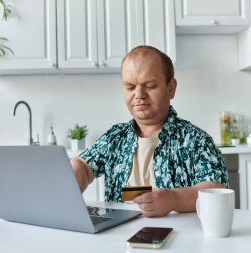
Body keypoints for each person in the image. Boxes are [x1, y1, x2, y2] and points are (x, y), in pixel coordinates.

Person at [70, 45, 228, 217]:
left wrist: (174, 199)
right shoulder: (114, 138)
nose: (139, 94)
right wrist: (76, 171)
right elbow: (84, 167)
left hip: (179, 238)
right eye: (130, 87)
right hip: (118, 239)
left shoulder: (195, 140)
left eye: (150, 85)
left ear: (171, 88)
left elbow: (217, 188)